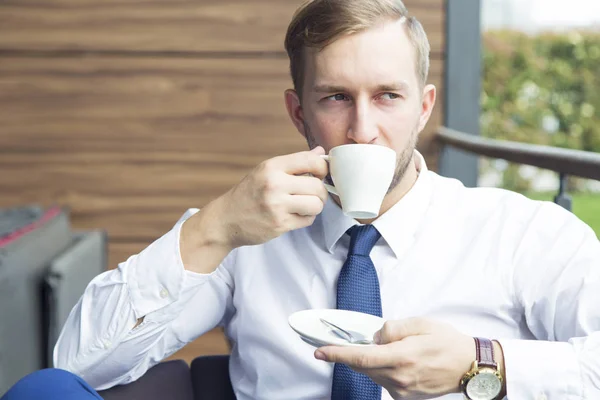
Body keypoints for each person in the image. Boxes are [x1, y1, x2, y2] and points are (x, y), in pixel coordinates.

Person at [4, 0, 600, 399]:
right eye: (336, 97)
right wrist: (211, 229)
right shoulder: (243, 231)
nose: (363, 129)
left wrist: (481, 363)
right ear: (299, 113)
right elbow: (77, 364)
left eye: (388, 96)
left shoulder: (526, 233)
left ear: (424, 106)